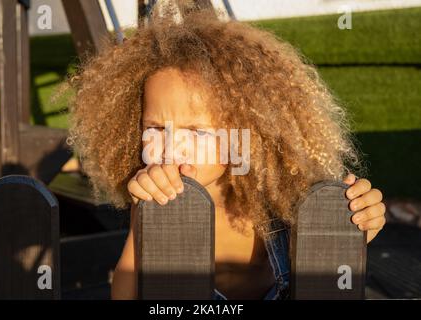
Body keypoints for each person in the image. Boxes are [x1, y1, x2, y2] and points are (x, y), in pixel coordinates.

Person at [67, 5, 386, 300]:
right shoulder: (157, 196)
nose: (171, 146)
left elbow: (331, 267)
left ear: (245, 132)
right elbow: (127, 280)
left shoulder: (285, 193)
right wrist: (144, 212)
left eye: (196, 131)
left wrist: (355, 225)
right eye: (156, 128)